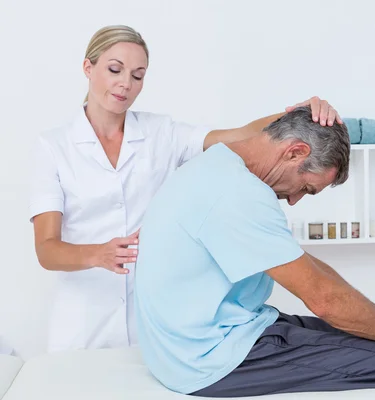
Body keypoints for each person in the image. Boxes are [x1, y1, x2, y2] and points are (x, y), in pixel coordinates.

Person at [28, 24, 342, 353]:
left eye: (138, 75)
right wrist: (98, 253)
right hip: (83, 322)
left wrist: (299, 113)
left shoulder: (161, 132)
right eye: (114, 70)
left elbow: (237, 136)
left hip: (151, 318)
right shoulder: (53, 146)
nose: (125, 84)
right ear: (88, 68)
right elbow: (47, 250)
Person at [134, 107, 375, 400]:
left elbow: (310, 270)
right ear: (296, 151)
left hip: (188, 345)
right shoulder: (238, 194)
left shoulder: (218, 163)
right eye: (306, 188)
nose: (295, 200)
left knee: (373, 338)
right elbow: (325, 300)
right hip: (206, 359)